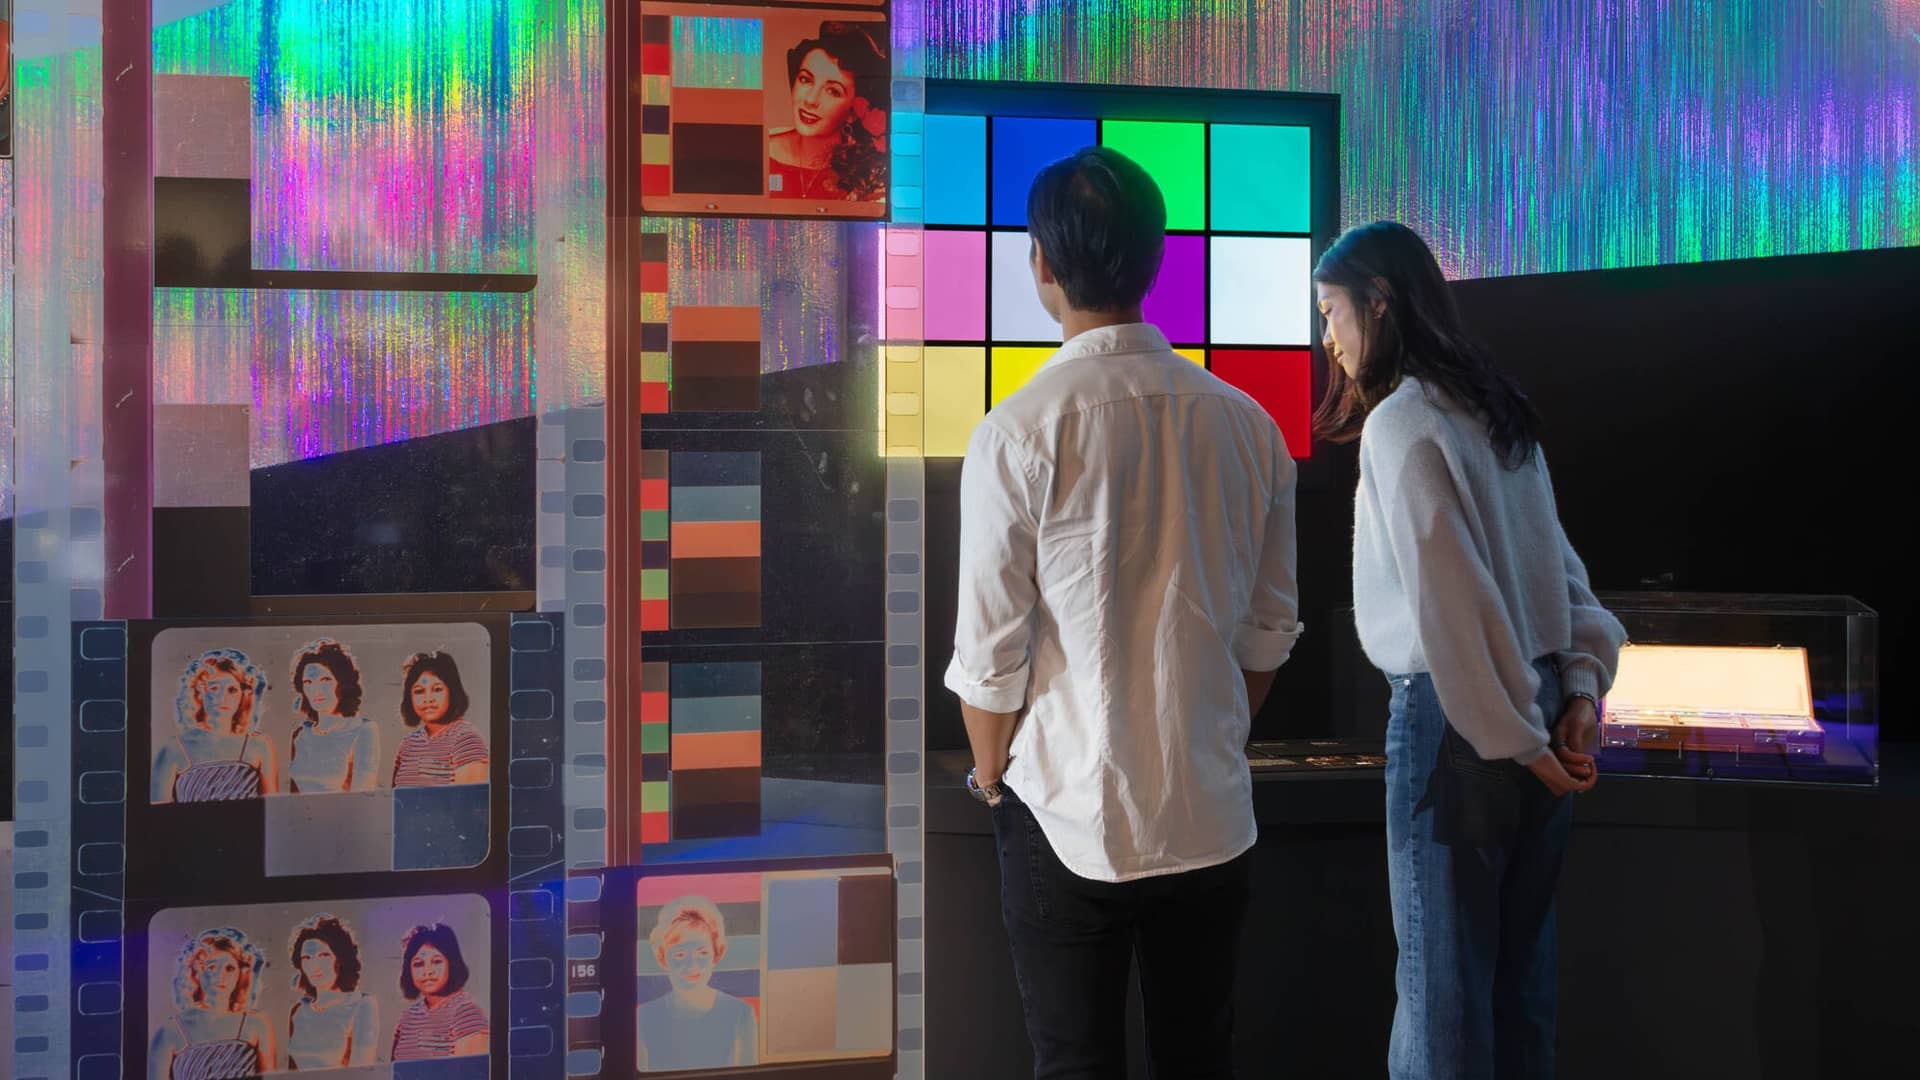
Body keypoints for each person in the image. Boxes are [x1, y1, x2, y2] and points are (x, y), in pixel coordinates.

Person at [944, 145, 1302, 1078]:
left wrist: (992, 780)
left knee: (1074, 1064)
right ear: (1158, 261)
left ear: (1042, 267)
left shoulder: (1017, 430)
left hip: (1064, 810)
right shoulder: (1249, 424)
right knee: (1199, 1057)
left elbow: (990, 659)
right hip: (1210, 810)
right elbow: (1269, 632)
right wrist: (1204, 732)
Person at [1311, 221, 1625, 1079]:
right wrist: (1577, 698)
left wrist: (1514, 739)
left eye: (1332, 313)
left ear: (1379, 302)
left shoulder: (1402, 424)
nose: (1329, 342)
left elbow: (1451, 614)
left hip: (1461, 727)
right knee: (1519, 993)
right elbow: (1567, 583)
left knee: (1443, 1006)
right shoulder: (1497, 415)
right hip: (1541, 708)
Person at [766, 21, 887, 203]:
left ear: (854, 110)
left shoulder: (868, 179)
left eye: (833, 91)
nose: (810, 100)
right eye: (806, 80)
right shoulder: (762, 151)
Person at [635, 895, 759, 1071]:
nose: (691, 965)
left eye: (702, 953)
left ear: (716, 954)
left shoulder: (741, 1014)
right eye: (680, 954)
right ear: (663, 957)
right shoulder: (645, 1017)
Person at [147, 927, 278, 1079]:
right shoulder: (169, 1033)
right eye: (212, 967)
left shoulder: (257, 1023)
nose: (220, 976)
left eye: (229, 968)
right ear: (196, 972)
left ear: (241, 975)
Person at [151, 649, 279, 803]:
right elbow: (158, 820)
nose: (222, 698)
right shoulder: (172, 750)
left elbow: (271, 812)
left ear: (244, 696)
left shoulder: (260, 745)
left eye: (232, 690)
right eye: (214, 688)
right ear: (199, 693)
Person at [285, 914, 379, 1068]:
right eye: (306, 958)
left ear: (340, 959)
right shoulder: (298, 1011)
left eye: (324, 955)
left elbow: (362, 1073)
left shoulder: (362, 1005)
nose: (315, 966)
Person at [286, 639, 380, 793]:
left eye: (325, 680)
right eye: (308, 682)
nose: (316, 690)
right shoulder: (300, 734)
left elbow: (362, 798)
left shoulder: (363, 730)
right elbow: (294, 797)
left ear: (342, 683)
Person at [390, 923, 489, 1059]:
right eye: (419, 964)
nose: (428, 971)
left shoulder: (467, 1013)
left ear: (451, 963)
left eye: (436, 962)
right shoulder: (407, 1018)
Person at [390, 651, 489, 787]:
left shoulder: (466, 739)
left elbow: (466, 805)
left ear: (452, 691)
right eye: (419, 691)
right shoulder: (408, 744)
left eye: (437, 689)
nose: (428, 699)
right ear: (409, 698)